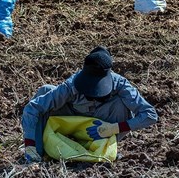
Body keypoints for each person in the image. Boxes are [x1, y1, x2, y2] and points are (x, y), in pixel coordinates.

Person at [21, 46, 158, 162]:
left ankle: (104, 150)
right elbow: (33, 108)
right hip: (69, 125)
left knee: (121, 104)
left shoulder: (120, 84)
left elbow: (150, 115)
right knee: (45, 90)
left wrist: (115, 128)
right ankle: (37, 154)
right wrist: (30, 144)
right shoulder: (71, 85)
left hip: (100, 132)